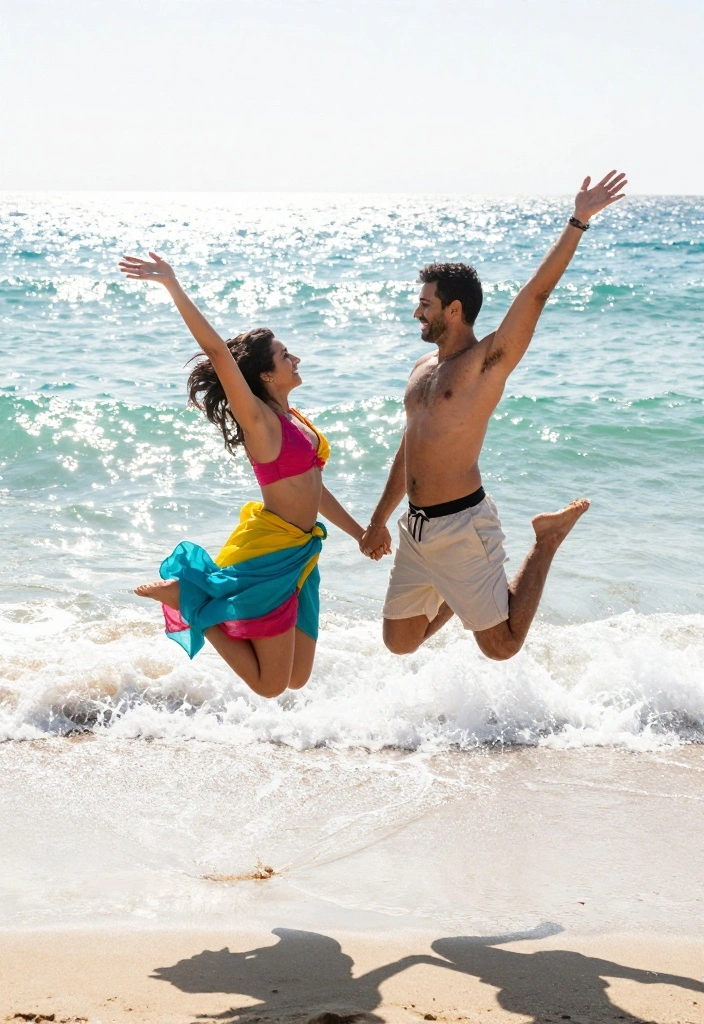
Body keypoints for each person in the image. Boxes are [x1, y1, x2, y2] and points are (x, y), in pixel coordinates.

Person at [360, 171, 627, 661]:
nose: (417, 314)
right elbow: (410, 448)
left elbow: (536, 294)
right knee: (399, 643)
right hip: (416, 529)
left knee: (501, 646)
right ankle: (457, 589)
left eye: (425, 304)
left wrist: (578, 220)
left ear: (454, 309)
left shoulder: (485, 363)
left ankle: (545, 541)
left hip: (462, 526)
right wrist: (377, 521)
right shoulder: (422, 368)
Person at [119, 252, 386, 698]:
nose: (295, 358)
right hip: (271, 550)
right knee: (269, 685)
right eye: (285, 355)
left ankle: (197, 598)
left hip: (301, 552)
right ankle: (192, 599)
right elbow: (218, 353)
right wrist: (173, 285)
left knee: (297, 678)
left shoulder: (296, 420)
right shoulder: (260, 422)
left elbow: (314, 489)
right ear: (265, 374)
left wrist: (360, 533)